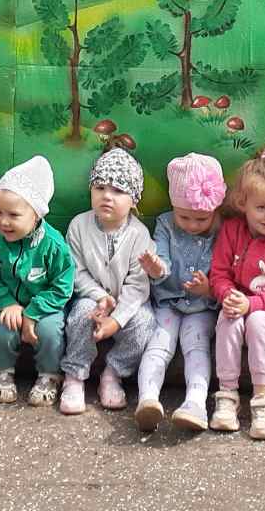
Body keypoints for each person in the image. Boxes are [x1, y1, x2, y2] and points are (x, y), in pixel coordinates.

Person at [209, 148, 265, 441]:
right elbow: (219, 274)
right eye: (261, 207)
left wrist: (251, 303)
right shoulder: (231, 230)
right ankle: (227, 396)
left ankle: (262, 400)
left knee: (258, 320)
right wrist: (228, 296)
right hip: (237, 309)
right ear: (242, 203)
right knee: (228, 317)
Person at [60, 142, 155, 415]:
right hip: (92, 299)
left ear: (134, 199)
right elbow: (75, 271)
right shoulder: (79, 226)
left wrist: (117, 319)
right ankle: (74, 377)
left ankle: (113, 374)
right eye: (100, 187)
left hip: (127, 304)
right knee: (81, 314)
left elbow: (138, 286)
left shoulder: (139, 234)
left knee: (145, 323)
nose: (107, 196)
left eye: (118, 190)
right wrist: (99, 296)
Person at [135, 152, 225, 432]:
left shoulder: (222, 230)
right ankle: (147, 399)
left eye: (202, 219)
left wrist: (209, 288)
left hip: (202, 306)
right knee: (159, 344)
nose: (193, 225)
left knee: (196, 346)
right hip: (168, 302)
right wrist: (156, 268)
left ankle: (195, 403)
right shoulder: (165, 224)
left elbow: (225, 271)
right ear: (173, 206)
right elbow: (162, 258)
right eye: (184, 217)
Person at [0, 156, 74, 407]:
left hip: (46, 306)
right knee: (0, 329)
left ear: (36, 215)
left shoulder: (54, 245)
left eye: (13, 215)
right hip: (8, 302)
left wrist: (33, 312)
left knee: (50, 332)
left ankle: (49, 375)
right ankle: (1, 371)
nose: (3, 221)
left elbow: (62, 286)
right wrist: (6, 303)